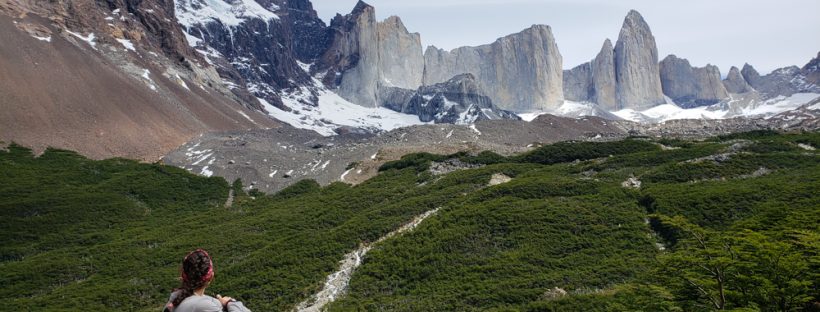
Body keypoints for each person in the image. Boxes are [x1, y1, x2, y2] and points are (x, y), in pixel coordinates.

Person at [163, 249, 251, 312]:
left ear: (183, 274)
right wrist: (230, 302)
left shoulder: (174, 300)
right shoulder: (205, 306)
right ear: (211, 277)